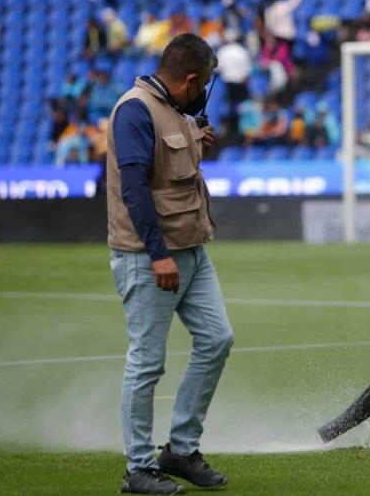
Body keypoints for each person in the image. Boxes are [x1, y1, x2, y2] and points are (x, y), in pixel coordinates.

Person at [107, 34, 232, 494]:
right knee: (146, 364)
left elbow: (173, 165)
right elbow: (134, 188)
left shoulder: (174, 110)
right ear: (192, 79)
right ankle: (138, 468)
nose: (205, 93)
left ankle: (179, 449)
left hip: (193, 251)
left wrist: (199, 139)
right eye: (205, 84)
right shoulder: (135, 110)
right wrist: (157, 253)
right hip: (149, 258)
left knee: (218, 339)